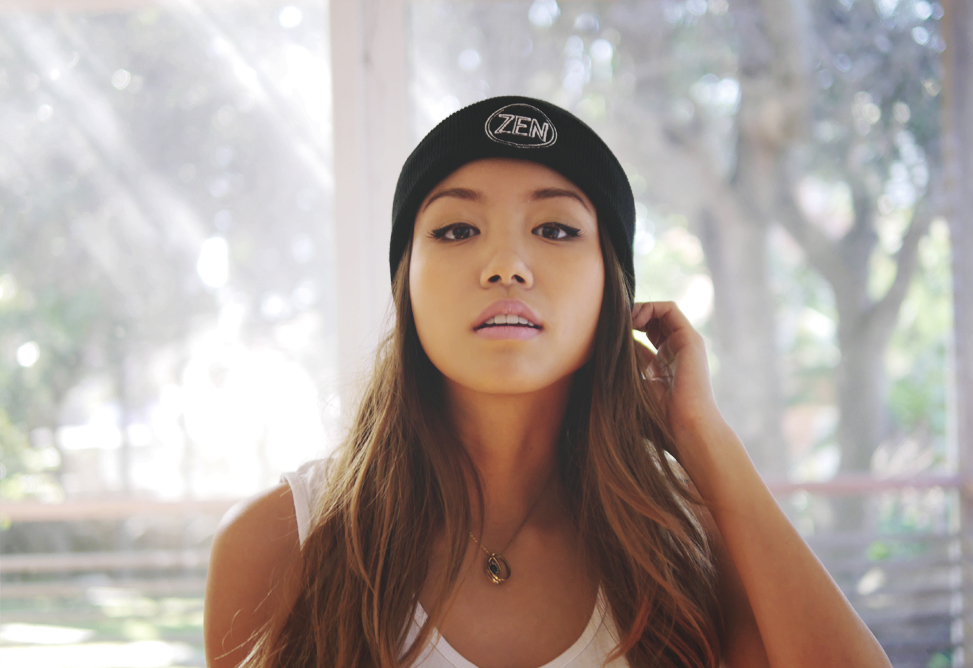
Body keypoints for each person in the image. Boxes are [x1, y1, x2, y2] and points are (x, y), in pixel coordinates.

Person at [204, 96, 891, 668]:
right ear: (405, 284)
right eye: (457, 229)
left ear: (612, 289)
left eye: (556, 230)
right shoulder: (281, 542)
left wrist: (704, 438)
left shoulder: (689, 541)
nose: (506, 264)